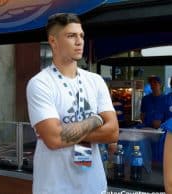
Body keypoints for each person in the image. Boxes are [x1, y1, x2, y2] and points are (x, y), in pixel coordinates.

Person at [26, 13, 119, 194]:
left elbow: (113, 132)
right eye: (71, 36)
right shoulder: (41, 83)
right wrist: (96, 120)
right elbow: (53, 139)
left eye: (81, 36)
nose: (79, 41)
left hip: (94, 186)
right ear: (53, 41)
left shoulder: (96, 80)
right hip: (55, 187)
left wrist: (66, 131)